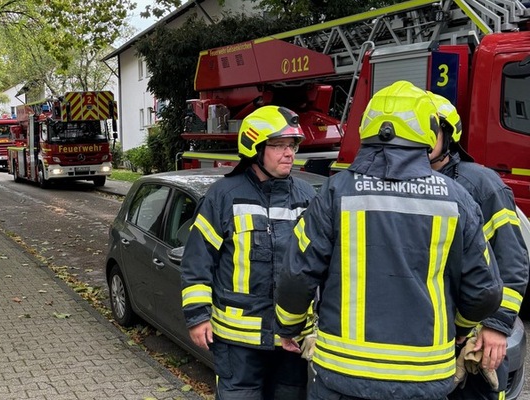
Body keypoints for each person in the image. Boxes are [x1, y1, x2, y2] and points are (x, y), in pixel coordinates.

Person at [273, 81, 503, 400]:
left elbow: (297, 275)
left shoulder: (335, 192)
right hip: (425, 378)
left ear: (368, 128)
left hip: (342, 375)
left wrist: (289, 327)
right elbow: (486, 291)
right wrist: (461, 328)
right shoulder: (456, 199)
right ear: (427, 129)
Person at [181, 105, 318, 400]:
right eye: (278, 145)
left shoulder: (308, 197)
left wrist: (317, 327)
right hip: (237, 343)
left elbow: (322, 266)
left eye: (292, 145)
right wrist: (197, 317)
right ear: (254, 148)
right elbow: (197, 260)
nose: (289, 153)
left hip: (290, 340)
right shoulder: (223, 196)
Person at [426, 92, 529, 400]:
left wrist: (496, 326)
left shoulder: (481, 185)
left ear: (449, 136)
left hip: (474, 339)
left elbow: (511, 261)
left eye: (429, 130)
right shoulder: (398, 186)